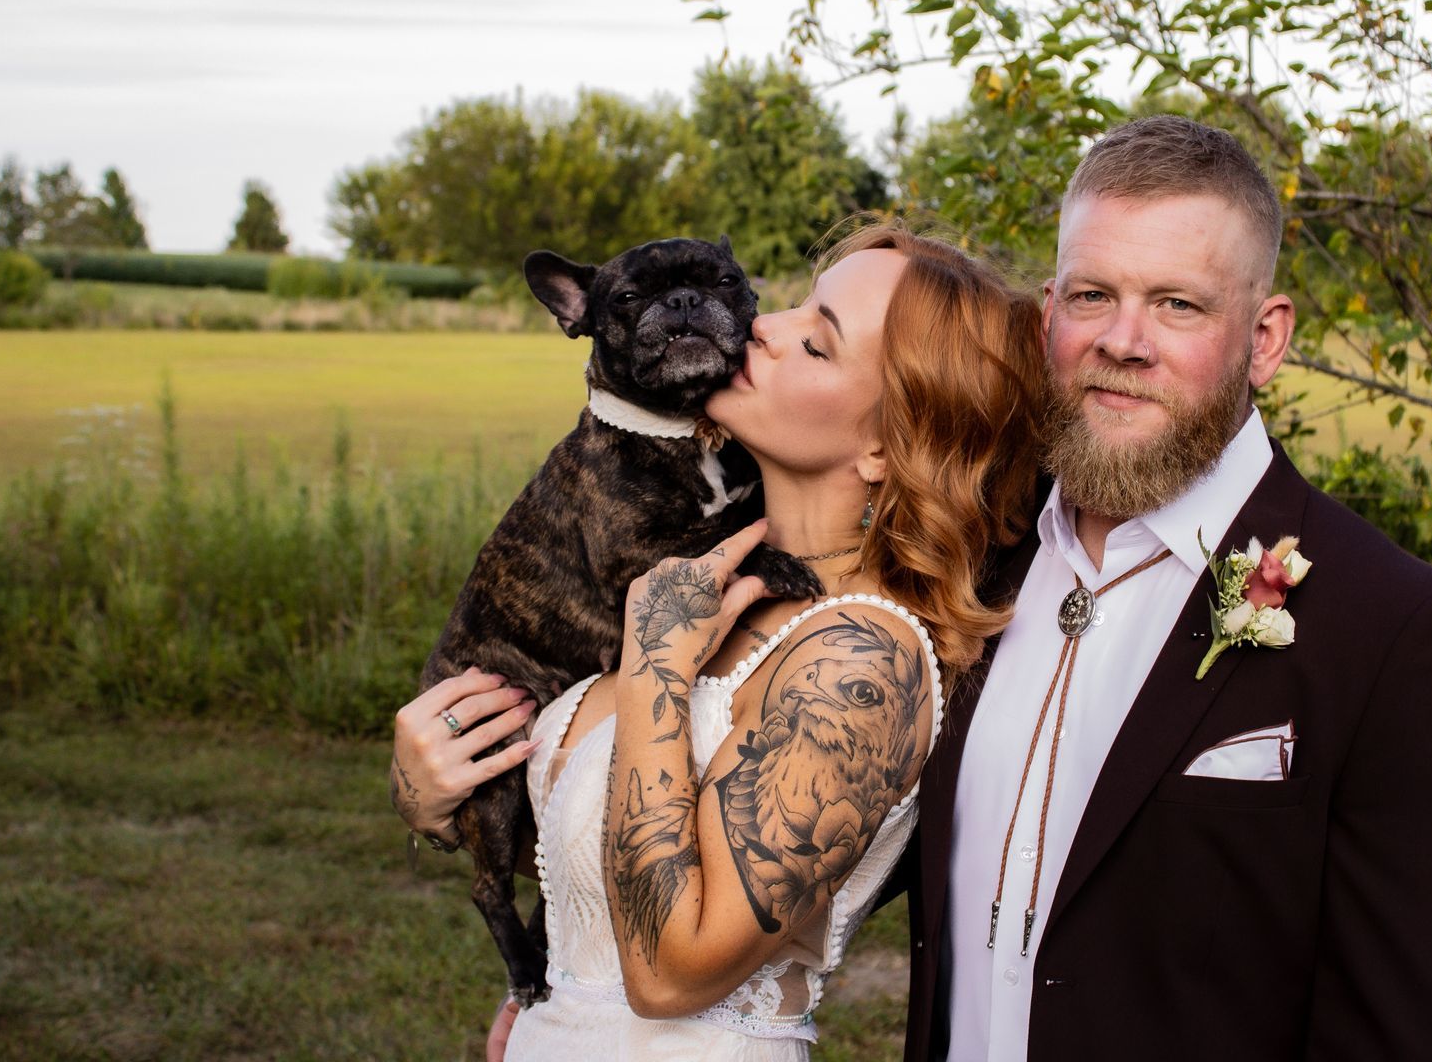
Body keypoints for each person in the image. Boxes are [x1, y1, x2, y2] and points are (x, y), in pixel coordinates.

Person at [904, 115, 1432, 1060]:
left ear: (1265, 339)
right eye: (1093, 294)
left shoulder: (1400, 633)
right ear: (1046, 320)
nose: (1124, 341)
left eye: (1179, 305)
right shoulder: (976, 566)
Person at [392, 224, 1047, 1059]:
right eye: (787, 303)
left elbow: (672, 973)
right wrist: (433, 797)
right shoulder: (700, 587)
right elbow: (605, 859)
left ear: (887, 445)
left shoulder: (858, 662)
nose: (767, 325)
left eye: (816, 341)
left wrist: (655, 670)